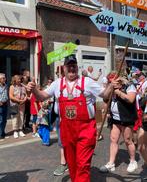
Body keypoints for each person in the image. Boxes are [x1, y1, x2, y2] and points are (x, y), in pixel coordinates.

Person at [27, 54, 104, 182]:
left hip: (85, 129)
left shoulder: (87, 82)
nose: (72, 69)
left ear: (77, 67)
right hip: (67, 130)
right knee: (72, 164)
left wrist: (112, 86)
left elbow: (105, 93)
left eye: (74, 66)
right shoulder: (57, 84)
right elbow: (42, 96)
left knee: (83, 165)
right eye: (69, 66)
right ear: (64, 68)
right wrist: (34, 90)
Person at [99, 72, 138, 173]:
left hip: (126, 117)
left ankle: (133, 161)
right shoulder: (111, 86)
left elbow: (131, 99)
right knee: (113, 139)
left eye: (114, 81)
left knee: (128, 140)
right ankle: (111, 163)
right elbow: (105, 97)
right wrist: (110, 87)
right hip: (115, 118)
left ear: (119, 80)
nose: (113, 83)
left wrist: (119, 93)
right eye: (110, 81)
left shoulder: (129, 86)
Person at [0, 73, 8, 141]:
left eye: (4, 78)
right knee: (0, 120)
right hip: (0, 105)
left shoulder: (6, 85)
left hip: (5, 104)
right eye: (3, 78)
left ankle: (3, 133)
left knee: (4, 120)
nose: (4, 79)